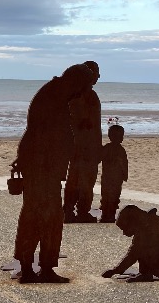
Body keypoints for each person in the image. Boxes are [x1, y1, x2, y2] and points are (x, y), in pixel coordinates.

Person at [10, 64, 95, 283]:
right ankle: (31, 268)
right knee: (39, 216)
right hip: (42, 170)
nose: (82, 93)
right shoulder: (53, 96)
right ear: (76, 82)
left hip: (47, 169)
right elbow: (37, 133)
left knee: (48, 217)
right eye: (84, 87)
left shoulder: (56, 94)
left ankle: (43, 267)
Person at [63, 61, 102, 223]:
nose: (98, 76)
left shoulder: (85, 95)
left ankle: (74, 210)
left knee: (80, 179)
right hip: (83, 146)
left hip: (86, 145)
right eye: (96, 73)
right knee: (81, 179)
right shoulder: (81, 96)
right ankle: (75, 210)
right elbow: (85, 123)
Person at [101, 205, 159, 282]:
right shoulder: (147, 227)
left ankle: (146, 274)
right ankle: (146, 272)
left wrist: (115, 271)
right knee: (141, 249)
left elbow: (132, 256)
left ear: (132, 223)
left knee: (141, 249)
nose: (124, 233)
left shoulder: (147, 233)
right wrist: (116, 270)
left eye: (125, 229)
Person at [99, 124, 128, 223]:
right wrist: (125, 174)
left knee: (107, 195)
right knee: (112, 196)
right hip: (114, 178)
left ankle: (106, 215)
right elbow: (124, 164)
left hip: (108, 177)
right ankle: (109, 215)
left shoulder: (107, 148)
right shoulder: (120, 150)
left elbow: (99, 158)